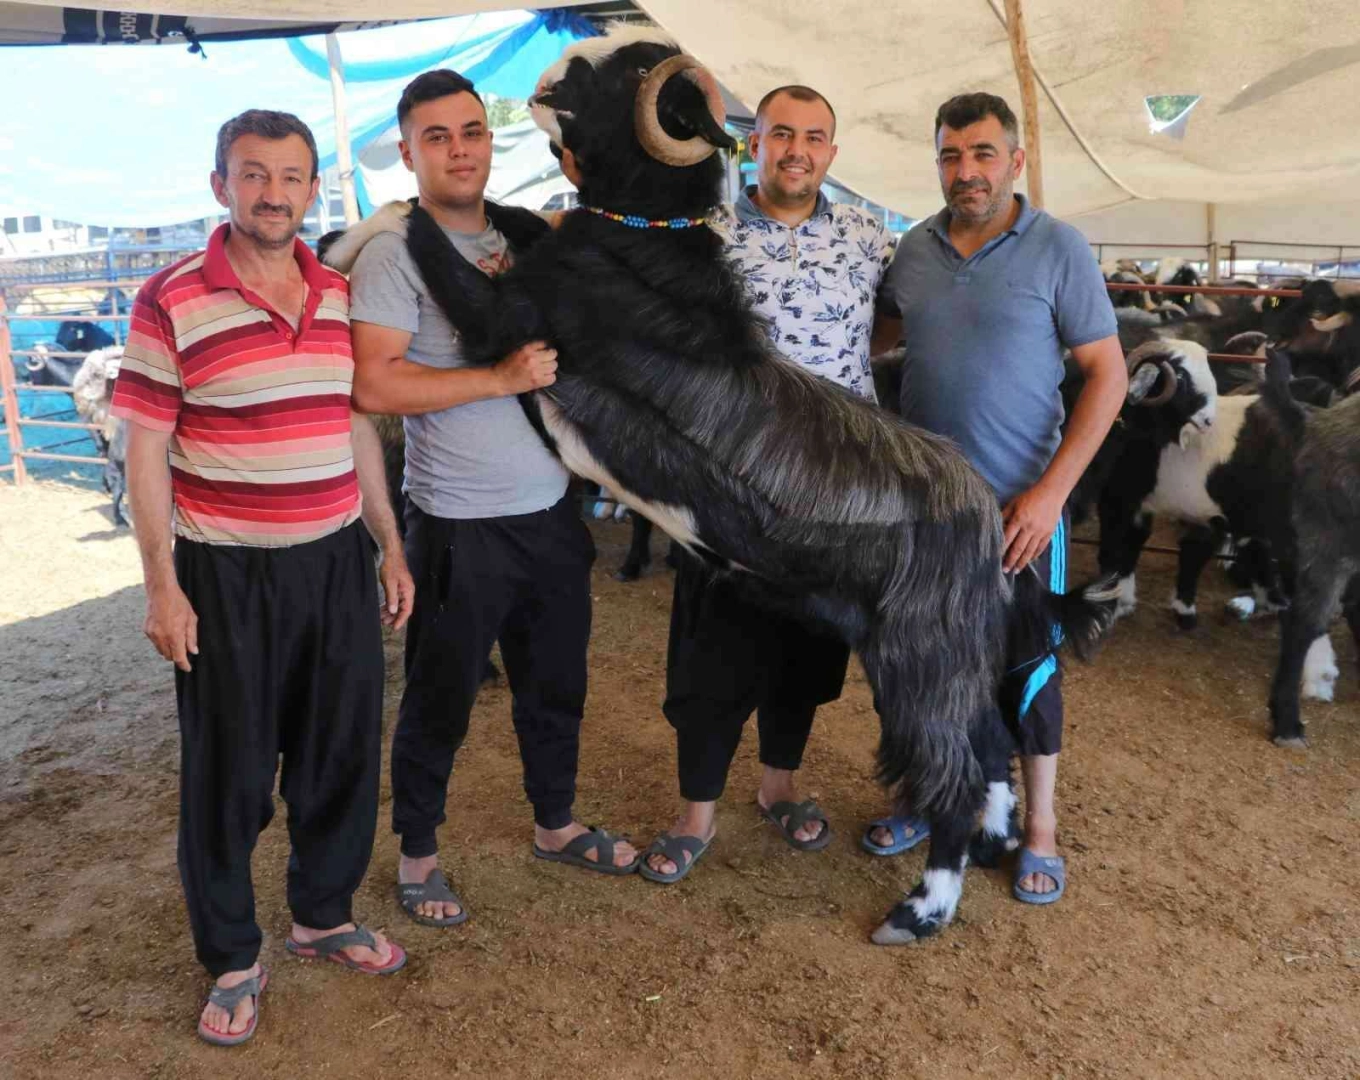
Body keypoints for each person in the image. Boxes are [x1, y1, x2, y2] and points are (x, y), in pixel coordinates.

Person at [112, 109, 412, 1047]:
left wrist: (389, 542)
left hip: (335, 559)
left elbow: (353, 423)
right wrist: (162, 585)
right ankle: (233, 955)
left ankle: (322, 915)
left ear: (312, 189)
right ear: (221, 186)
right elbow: (146, 447)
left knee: (340, 751)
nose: (273, 194)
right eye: (253, 175)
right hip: (226, 568)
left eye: (289, 177)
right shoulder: (171, 298)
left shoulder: (337, 292)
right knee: (230, 771)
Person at [345, 70, 639, 928]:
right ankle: (418, 854)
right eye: (436, 137)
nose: (459, 149)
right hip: (457, 525)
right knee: (441, 697)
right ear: (408, 154)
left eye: (471, 131)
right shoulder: (395, 256)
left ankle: (556, 824)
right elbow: (373, 385)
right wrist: (498, 378)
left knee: (556, 683)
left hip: (549, 512)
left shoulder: (524, 239)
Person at [863, 92, 1126, 906]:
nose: (965, 170)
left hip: (1021, 505)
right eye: (950, 155)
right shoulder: (913, 251)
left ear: (1015, 160)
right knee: (918, 663)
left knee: (1028, 666)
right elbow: (868, 341)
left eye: (982, 153)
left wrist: (1052, 494)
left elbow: (1108, 375)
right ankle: (926, 796)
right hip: (923, 512)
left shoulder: (1057, 247)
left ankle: (1039, 828)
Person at [640, 85, 899, 883]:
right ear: (753, 145)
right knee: (714, 652)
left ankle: (779, 784)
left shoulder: (868, 237)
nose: (797, 150)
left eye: (814, 137)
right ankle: (696, 814)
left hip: (834, 491)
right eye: (782, 133)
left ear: (831, 152)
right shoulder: (703, 237)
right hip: (730, 490)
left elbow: (888, 324)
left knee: (807, 651)